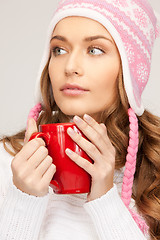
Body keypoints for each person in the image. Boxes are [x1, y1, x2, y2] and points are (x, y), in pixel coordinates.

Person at [0, 0, 160, 239]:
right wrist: (24, 199)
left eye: (95, 50)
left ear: (130, 69)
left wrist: (105, 198)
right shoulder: (8, 161)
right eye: (59, 50)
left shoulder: (154, 165)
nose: (70, 67)